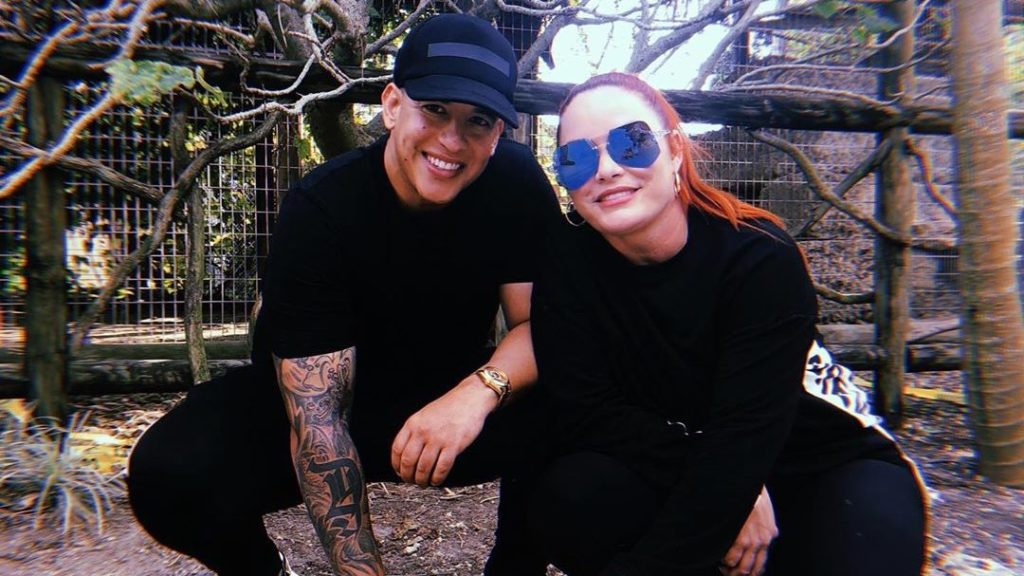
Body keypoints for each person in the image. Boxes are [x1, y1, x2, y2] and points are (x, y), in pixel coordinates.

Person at [126, 14, 561, 576]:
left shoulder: (516, 184)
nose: (452, 141)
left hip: (446, 393)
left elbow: (539, 326)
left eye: (477, 120)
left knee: (578, 399)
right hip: (313, 404)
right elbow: (319, 420)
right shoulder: (323, 207)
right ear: (392, 105)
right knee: (169, 471)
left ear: (498, 133)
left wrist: (475, 395)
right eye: (434, 109)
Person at [525, 72, 928, 576]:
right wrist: (735, 491)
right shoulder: (567, 264)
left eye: (632, 143)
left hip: (817, 462)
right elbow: (586, 411)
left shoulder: (760, 258)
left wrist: (733, 486)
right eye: (577, 158)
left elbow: (748, 431)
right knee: (575, 495)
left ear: (675, 152)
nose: (605, 170)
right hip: (688, 459)